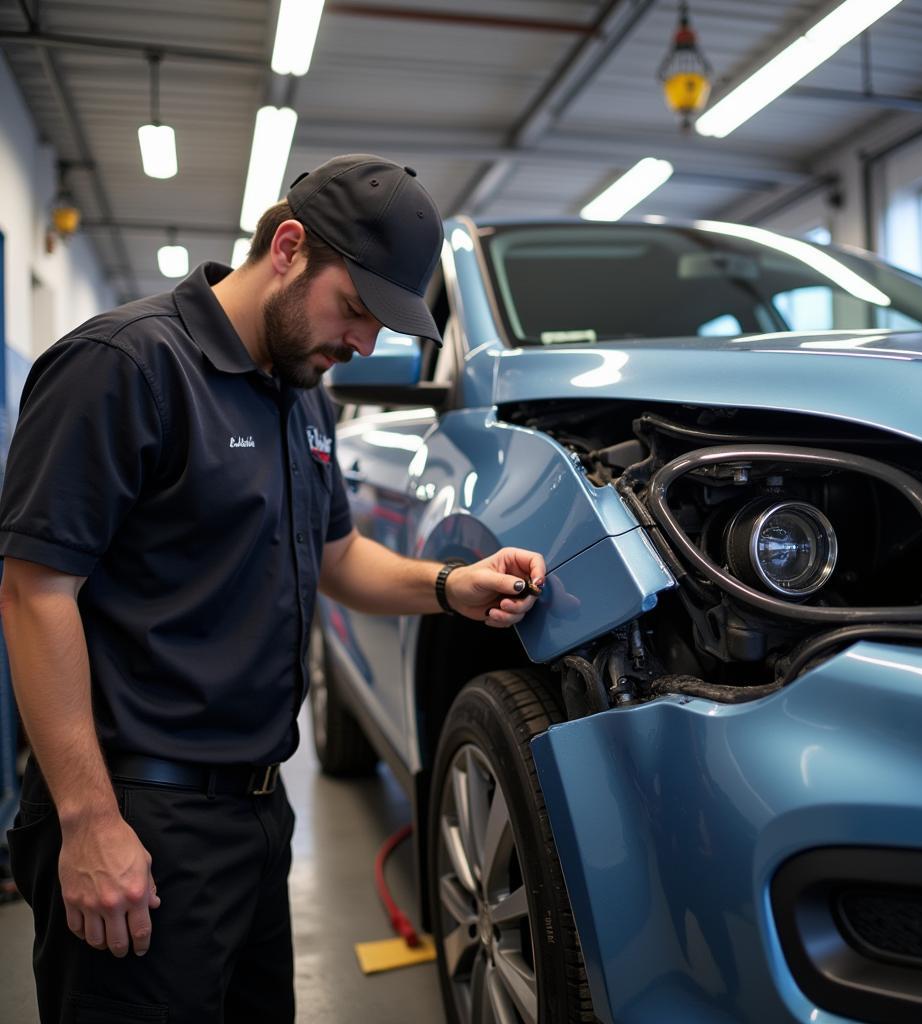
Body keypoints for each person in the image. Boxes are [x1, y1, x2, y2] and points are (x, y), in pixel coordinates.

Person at [0, 154, 546, 1023]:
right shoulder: (125, 365)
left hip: (259, 816)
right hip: (139, 813)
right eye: (357, 309)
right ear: (288, 247)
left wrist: (453, 586)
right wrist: (89, 824)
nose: (363, 343)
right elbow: (34, 594)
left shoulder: (299, 394)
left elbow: (338, 559)